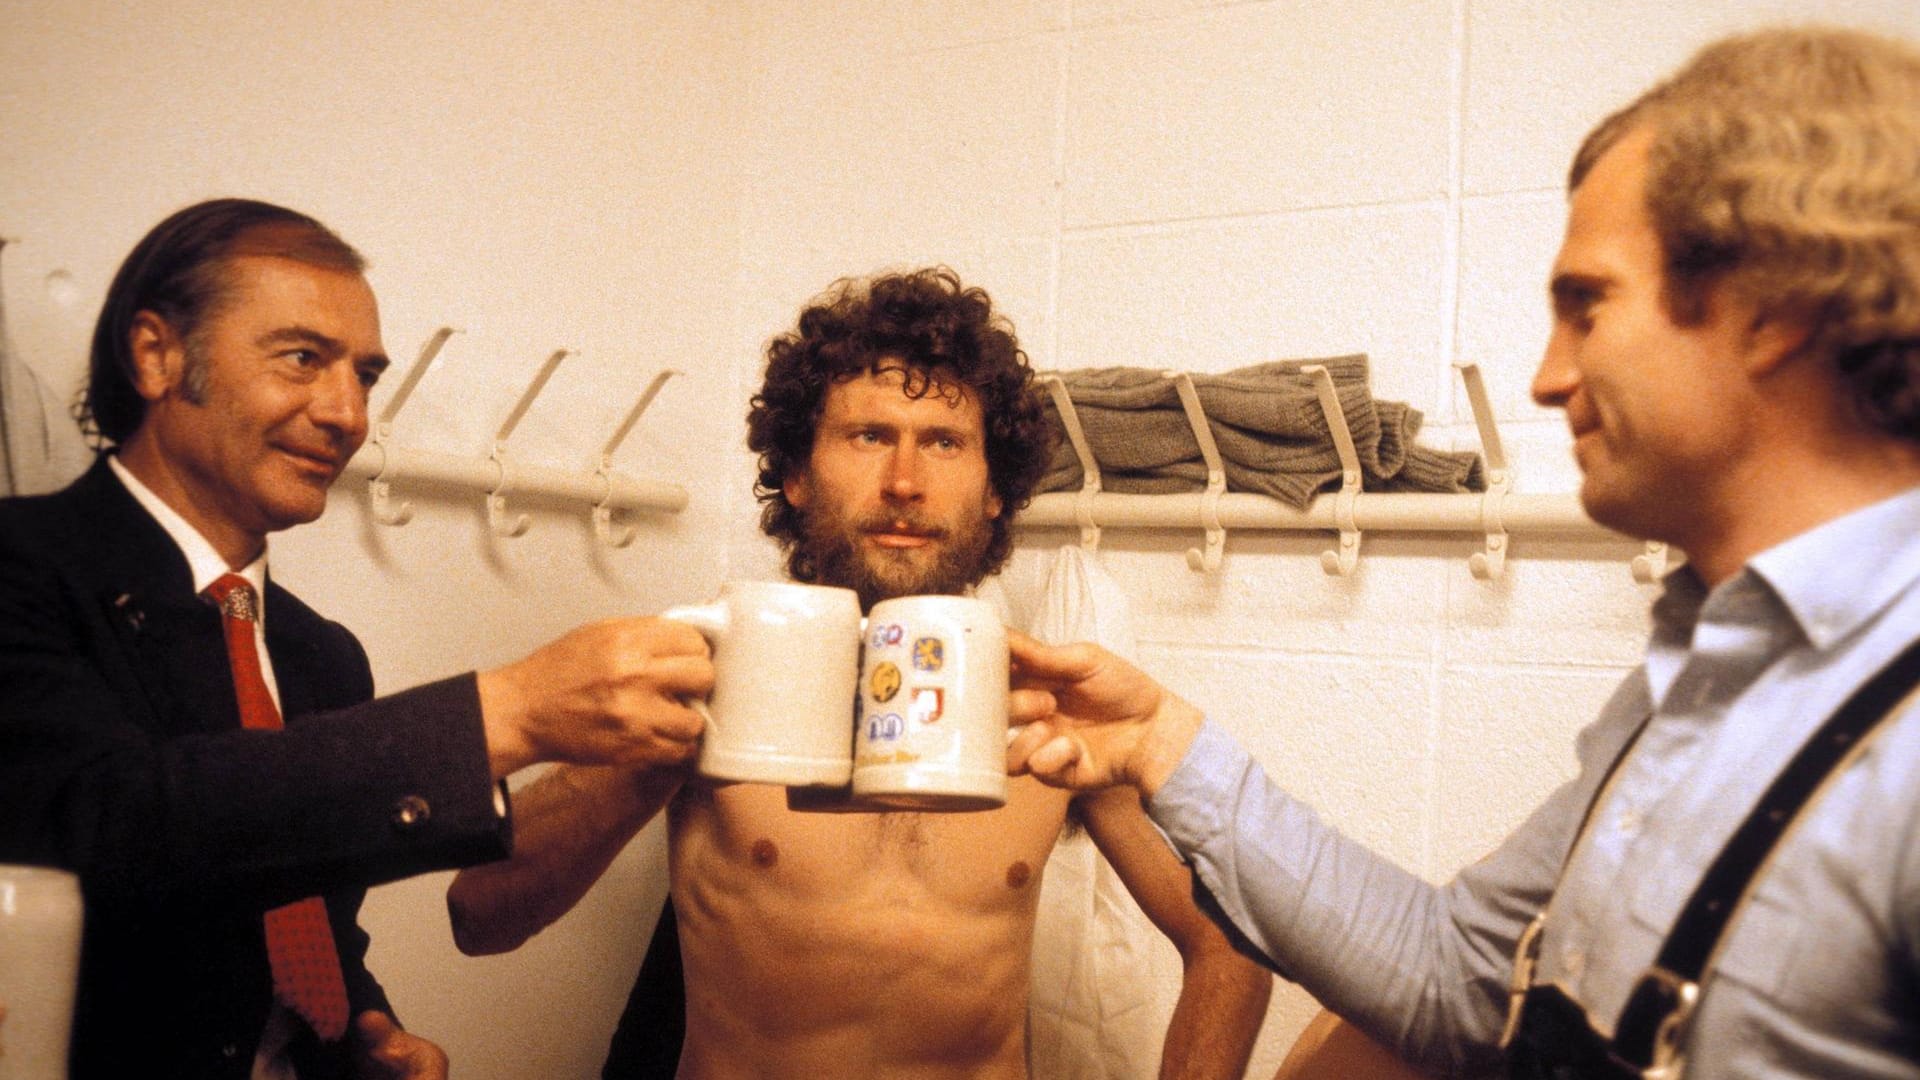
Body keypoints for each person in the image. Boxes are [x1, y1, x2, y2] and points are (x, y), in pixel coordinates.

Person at [1005, 24, 1920, 1080]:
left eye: (1588, 307)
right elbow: (1452, 984)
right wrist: (1161, 739)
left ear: (1773, 309)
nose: (1545, 376)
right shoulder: (1697, 680)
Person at [447, 267, 1273, 1078]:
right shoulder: (708, 670)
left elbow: (1233, 941)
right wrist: (651, 764)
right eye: (869, 436)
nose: (906, 483)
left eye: (944, 443)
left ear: (994, 490)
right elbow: (480, 914)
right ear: (798, 474)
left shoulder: (1046, 711)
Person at [0, 199, 716, 1080]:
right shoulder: (20, 569)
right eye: (302, 358)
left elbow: (289, 902)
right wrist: (507, 711)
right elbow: (113, 828)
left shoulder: (317, 653)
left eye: (366, 375)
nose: (346, 412)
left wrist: (354, 1026)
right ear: (158, 355)